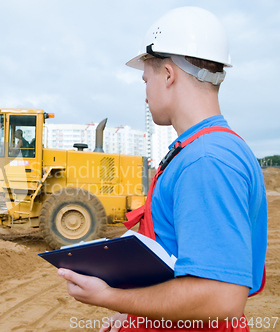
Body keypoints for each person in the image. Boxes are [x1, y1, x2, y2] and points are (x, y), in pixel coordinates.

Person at [57, 6, 267, 332]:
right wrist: (138, 312)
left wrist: (111, 297)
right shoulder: (200, 150)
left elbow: (221, 297)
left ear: (169, 75)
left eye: (146, 79)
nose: (144, 95)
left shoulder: (206, 161)